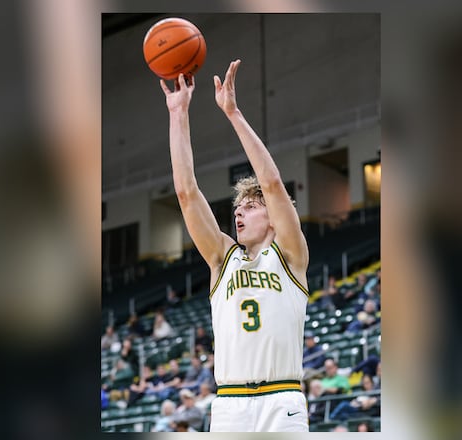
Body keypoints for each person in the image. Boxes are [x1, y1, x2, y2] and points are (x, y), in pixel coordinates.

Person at [160, 59, 310, 432]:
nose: (239, 214)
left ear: (273, 217)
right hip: (229, 403)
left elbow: (273, 184)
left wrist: (233, 113)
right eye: (237, 208)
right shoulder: (221, 259)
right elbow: (186, 192)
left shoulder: (290, 256)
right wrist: (178, 114)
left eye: (250, 207)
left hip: (282, 399)